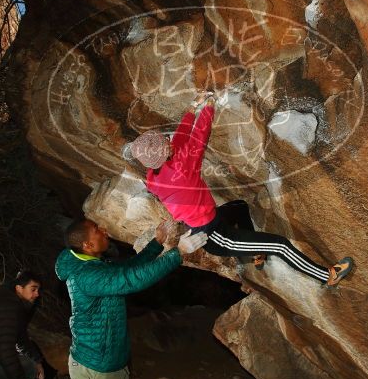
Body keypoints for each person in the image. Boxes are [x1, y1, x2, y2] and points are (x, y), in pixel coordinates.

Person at [128, 91, 354, 286]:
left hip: (209, 219)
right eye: (163, 142)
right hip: (214, 235)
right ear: (163, 154)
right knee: (281, 245)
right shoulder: (181, 170)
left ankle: (256, 251)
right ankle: (327, 276)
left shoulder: (154, 174)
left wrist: (192, 107)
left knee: (240, 207)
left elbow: (179, 139)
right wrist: (208, 106)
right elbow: (198, 137)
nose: (167, 140)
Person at [56, 218, 207, 379]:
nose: (104, 230)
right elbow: (131, 281)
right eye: (97, 230)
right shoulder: (86, 275)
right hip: (94, 369)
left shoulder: (95, 263)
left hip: (114, 363)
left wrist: (157, 243)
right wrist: (176, 254)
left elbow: (127, 270)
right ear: (87, 244)